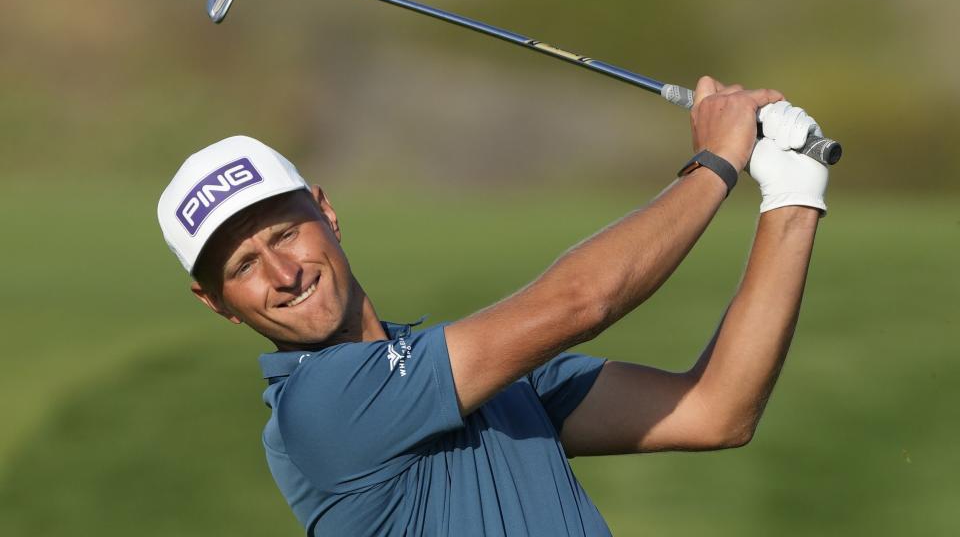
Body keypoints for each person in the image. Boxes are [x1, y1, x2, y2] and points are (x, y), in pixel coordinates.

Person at [157, 76, 829, 536]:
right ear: (217, 303)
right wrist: (717, 161)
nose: (283, 272)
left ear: (327, 212)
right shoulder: (321, 406)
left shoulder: (482, 376)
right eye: (244, 267)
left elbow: (717, 411)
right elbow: (579, 300)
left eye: (284, 233)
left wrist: (794, 197)